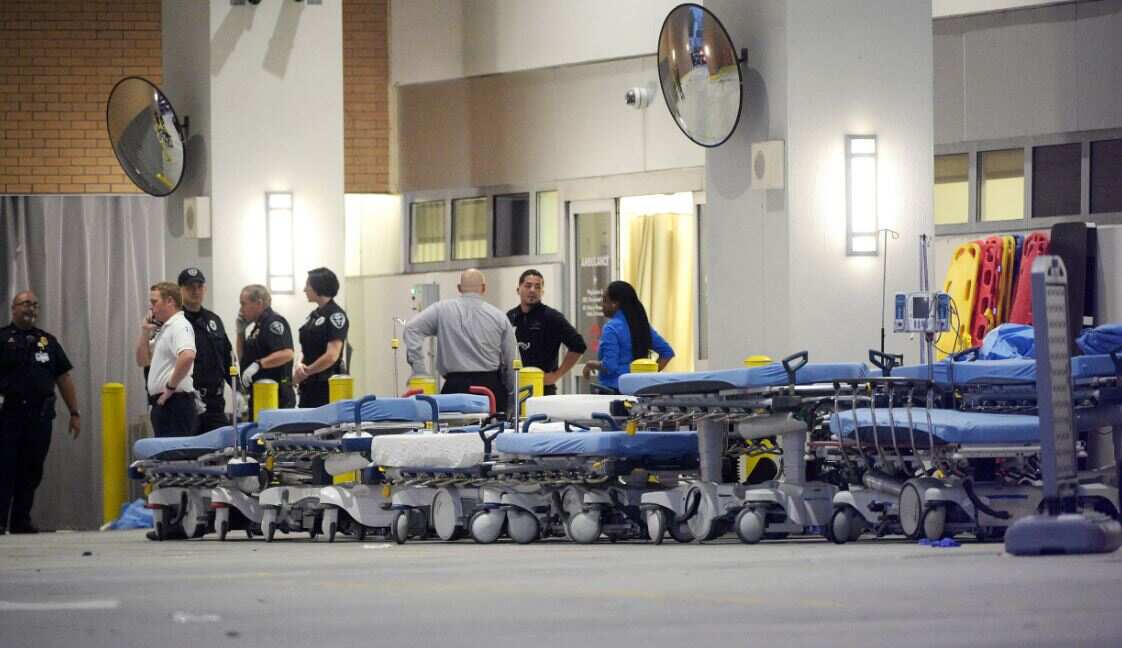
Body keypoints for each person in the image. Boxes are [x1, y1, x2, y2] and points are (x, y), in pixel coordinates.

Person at [0, 291, 81, 534]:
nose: (31, 309)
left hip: (39, 417)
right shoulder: (2, 338)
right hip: (8, 416)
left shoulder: (47, 341)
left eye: (35, 305)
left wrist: (74, 412)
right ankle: (0, 519)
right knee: (5, 469)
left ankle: (20, 520)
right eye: (26, 304)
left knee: (32, 469)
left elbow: (63, 378)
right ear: (13, 308)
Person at [404, 269, 518, 414]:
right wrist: (512, 400)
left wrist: (419, 371)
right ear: (484, 288)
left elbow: (411, 329)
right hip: (490, 390)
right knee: (492, 432)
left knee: (452, 433)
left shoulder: (441, 310)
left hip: (454, 389)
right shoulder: (499, 317)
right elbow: (512, 361)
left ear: (459, 288)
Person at [582, 280, 674, 393]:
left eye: (604, 300)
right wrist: (647, 375)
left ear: (615, 304)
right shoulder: (642, 326)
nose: (601, 305)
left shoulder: (611, 328)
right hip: (640, 391)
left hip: (614, 391)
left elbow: (610, 366)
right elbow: (667, 353)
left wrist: (590, 364)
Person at [506, 269, 586, 395]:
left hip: (543, 389)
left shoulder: (551, 317)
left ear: (542, 292)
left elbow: (579, 345)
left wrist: (556, 375)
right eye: (528, 286)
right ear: (518, 289)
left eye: (537, 287)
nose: (532, 290)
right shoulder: (510, 317)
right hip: (515, 387)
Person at [136, 282, 198, 438]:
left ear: (170, 301)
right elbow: (142, 360)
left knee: (174, 458)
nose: (151, 308)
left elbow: (188, 355)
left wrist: (170, 388)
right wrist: (144, 332)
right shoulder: (165, 328)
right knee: (165, 457)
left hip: (175, 402)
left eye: (154, 302)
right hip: (165, 403)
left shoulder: (179, 325)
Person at [178, 267, 234, 433]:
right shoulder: (175, 321)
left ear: (205, 289)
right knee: (190, 453)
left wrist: (237, 388)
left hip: (215, 403)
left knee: (222, 451)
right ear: (180, 290)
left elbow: (227, 358)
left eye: (199, 286)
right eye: (190, 287)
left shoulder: (213, 320)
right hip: (187, 401)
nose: (196, 291)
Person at [294, 268, 349, 408]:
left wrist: (307, 371)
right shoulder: (314, 316)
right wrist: (299, 365)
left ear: (318, 286)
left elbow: (332, 355)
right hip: (309, 385)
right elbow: (306, 348)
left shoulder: (336, 315)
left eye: (308, 285)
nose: (304, 290)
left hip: (326, 386)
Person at [237, 284, 295, 411]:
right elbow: (243, 358)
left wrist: (259, 364)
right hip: (260, 394)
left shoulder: (273, 322)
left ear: (259, 303)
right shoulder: (258, 327)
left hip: (276, 396)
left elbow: (287, 353)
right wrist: (240, 333)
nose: (241, 310)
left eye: (243, 304)